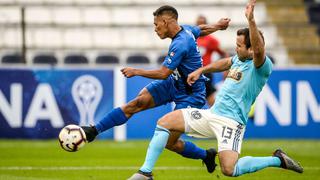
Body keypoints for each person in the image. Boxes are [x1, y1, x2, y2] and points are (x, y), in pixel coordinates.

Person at [128, 1, 303, 179]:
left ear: (251, 49)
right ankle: (145, 173)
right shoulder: (238, 59)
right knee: (164, 123)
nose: (236, 49)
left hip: (231, 123)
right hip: (212, 115)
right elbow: (225, 62)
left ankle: (277, 160)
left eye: (240, 46)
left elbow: (259, 50)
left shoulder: (261, 66)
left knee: (229, 170)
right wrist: (201, 70)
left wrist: (251, 20)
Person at [82, 5, 230, 173]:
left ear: (166, 22)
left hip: (190, 94)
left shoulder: (180, 44)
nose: (155, 29)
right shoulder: (186, 31)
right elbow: (200, 30)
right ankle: (95, 130)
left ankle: (205, 155)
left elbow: (163, 73)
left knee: (170, 142)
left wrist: (136, 71)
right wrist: (217, 26)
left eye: (156, 24)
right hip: (174, 84)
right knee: (138, 102)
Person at [196, 15, 228, 106]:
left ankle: (217, 116)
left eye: (202, 23)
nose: (200, 26)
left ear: (206, 25)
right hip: (192, 71)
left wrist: (226, 69)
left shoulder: (211, 40)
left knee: (209, 96)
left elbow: (223, 53)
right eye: (198, 24)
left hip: (205, 72)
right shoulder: (191, 38)